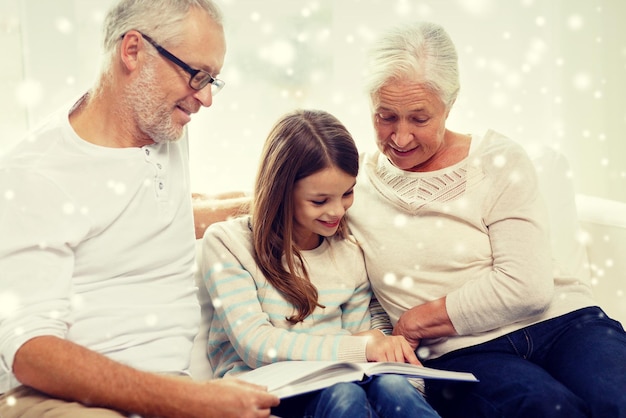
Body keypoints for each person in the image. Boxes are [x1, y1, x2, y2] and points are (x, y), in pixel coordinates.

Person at [0, 0, 279, 417]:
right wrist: (192, 400)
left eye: (212, 81)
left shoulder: (164, 127)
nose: (205, 98)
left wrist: (277, 204)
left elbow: (161, 214)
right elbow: (31, 351)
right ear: (132, 51)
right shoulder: (36, 176)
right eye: (197, 76)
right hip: (57, 400)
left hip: (167, 388)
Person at [345, 21, 626, 418]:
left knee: (617, 399)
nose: (401, 137)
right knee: (547, 409)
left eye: (419, 119)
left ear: (450, 103)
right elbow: (288, 195)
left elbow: (527, 287)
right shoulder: (352, 181)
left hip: (564, 323)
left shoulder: (498, 160)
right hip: (463, 351)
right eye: (385, 116)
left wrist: (419, 319)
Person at [200, 109, 441, 418]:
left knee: (392, 388)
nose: (337, 211)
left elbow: (359, 334)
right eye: (319, 201)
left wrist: (384, 356)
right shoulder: (228, 243)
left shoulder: (348, 250)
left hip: (339, 380)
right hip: (263, 389)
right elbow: (255, 345)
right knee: (344, 394)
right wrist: (359, 347)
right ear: (281, 191)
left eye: (347, 193)